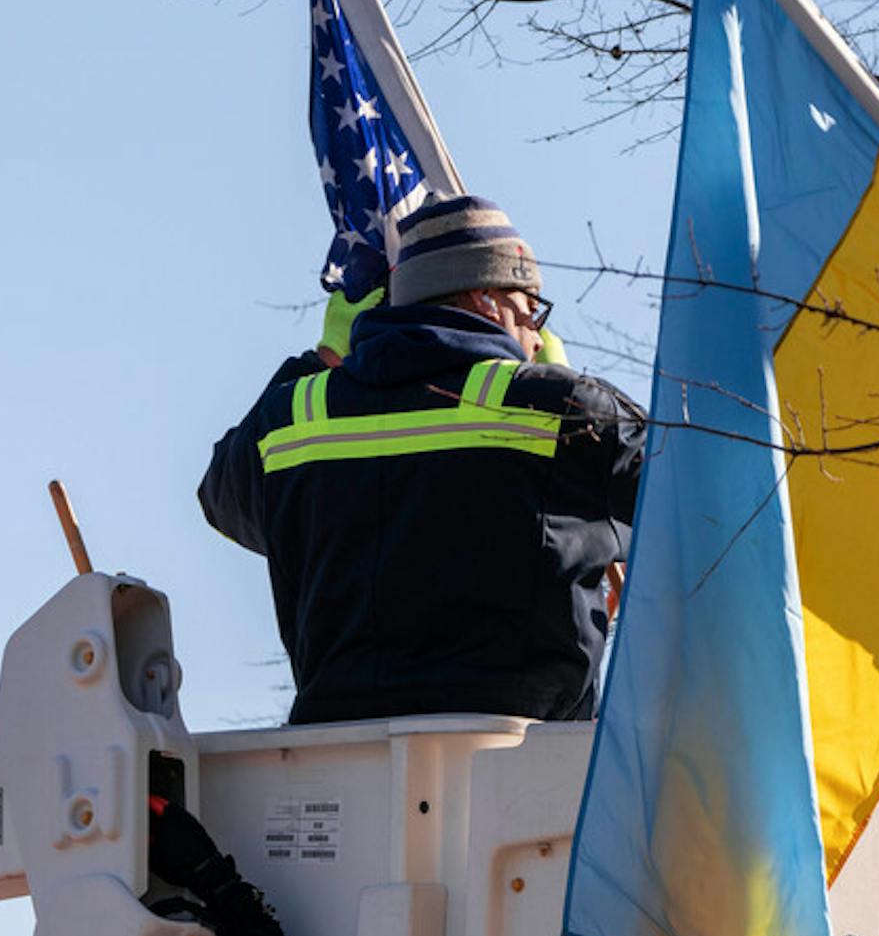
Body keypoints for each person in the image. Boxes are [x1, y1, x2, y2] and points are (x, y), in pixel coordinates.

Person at [199, 194, 644, 725]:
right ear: (485, 299)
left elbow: (221, 498)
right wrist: (579, 401)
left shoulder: (293, 416)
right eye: (533, 310)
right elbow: (701, 494)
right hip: (524, 768)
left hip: (337, 762)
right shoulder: (560, 410)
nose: (534, 335)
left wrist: (320, 362)